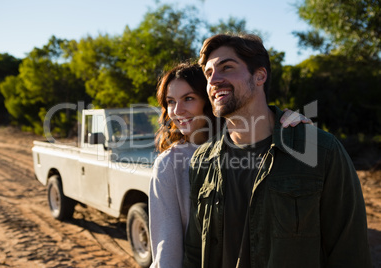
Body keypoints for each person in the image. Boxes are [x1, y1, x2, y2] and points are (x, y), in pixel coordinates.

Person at [182, 33, 372, 268]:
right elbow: (194, 251)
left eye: (227, 68)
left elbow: (349, 252)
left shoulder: (321, 150)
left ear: (260, 75)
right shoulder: (202, 160)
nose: (213, 81)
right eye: (208, 73)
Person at [148, 63, 312, 268]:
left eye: (188, 98)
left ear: (210, 99)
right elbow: (167, 251)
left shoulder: (247, 146)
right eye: (170, 101)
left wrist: (288, 123)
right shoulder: (169, 164)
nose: (177, 110)